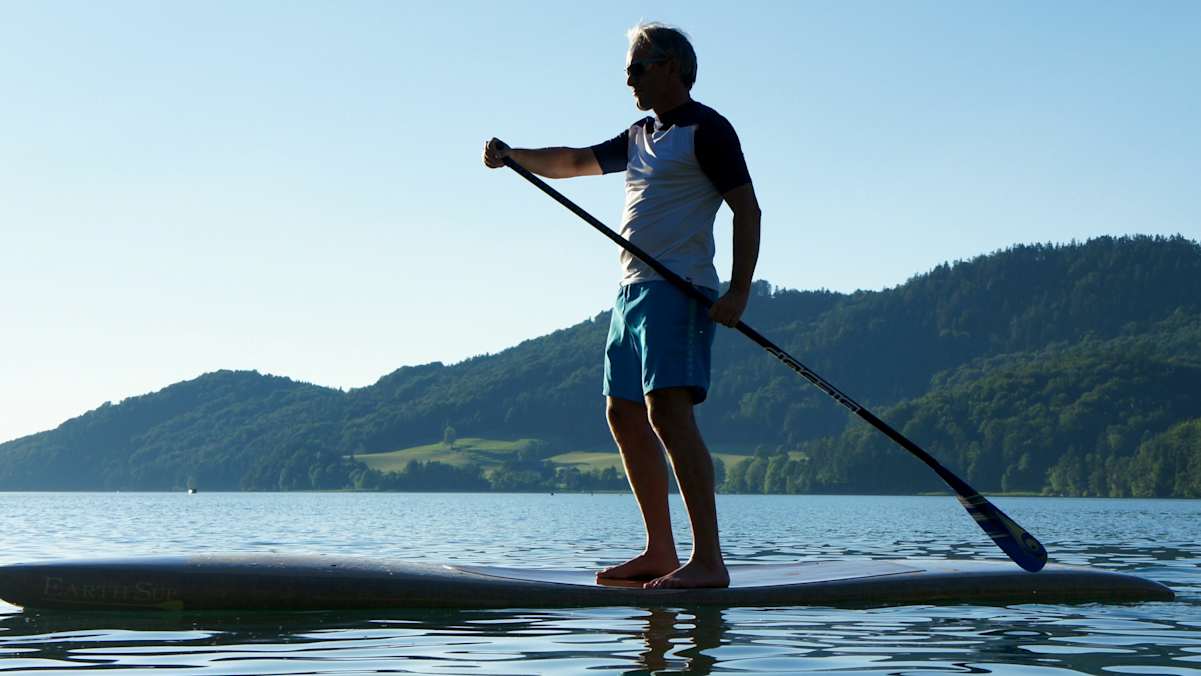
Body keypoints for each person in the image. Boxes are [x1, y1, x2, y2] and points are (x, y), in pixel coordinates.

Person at [483, 22, 761, 589]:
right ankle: (660, 550)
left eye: (636, 66)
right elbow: (575, 161)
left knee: (668, 413)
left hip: (680, 289)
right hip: (630, 292)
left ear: (670, 67)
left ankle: (708, 560)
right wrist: (515, 157)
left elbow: (748, 211)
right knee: (623, 413)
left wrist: (737, 293)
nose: (627, 76)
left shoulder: (708, 130)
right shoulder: (639, 136)